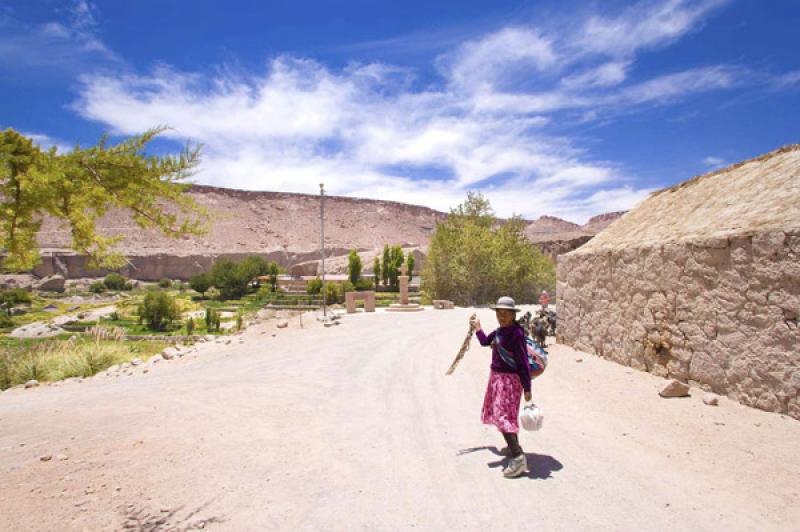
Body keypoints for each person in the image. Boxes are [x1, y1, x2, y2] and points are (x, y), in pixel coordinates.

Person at [470, 296, 531, 478]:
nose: (502, 317)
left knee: (502, 416)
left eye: (506, 313)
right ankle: (514, 446)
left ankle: (518, 458)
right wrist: (478, 328)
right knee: (506, 416)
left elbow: (523, 362)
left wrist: (527, 388)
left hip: (510, 382)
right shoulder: (498, 332)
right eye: (499, 313)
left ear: (513, 315)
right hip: (496, 379)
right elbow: (484, 342)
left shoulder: (516, 334)